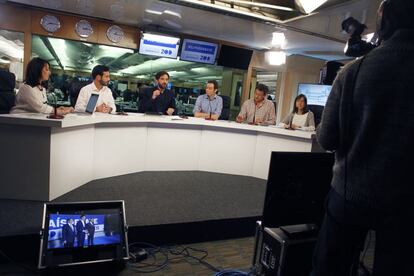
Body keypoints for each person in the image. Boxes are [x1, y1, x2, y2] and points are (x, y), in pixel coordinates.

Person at [311, 1, 414, 275]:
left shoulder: (353, 71)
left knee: (328, 269)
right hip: (406, 204)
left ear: (384, 22)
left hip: (350, 194)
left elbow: (328, 139)